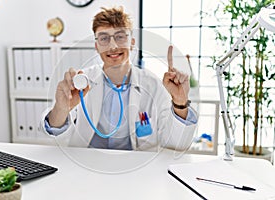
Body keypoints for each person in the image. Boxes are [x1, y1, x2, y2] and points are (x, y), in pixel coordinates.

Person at [40, 6, 198, 151]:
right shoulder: (81, 82)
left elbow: (177, 143)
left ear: (132, 43)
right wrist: (62, 108)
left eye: (120, 37)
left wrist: (180, 102)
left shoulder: (152, 84)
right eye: (104, 38)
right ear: (97, 46)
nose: (113, 46)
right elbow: (54, 133)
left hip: (136, 170)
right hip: (88, 165)